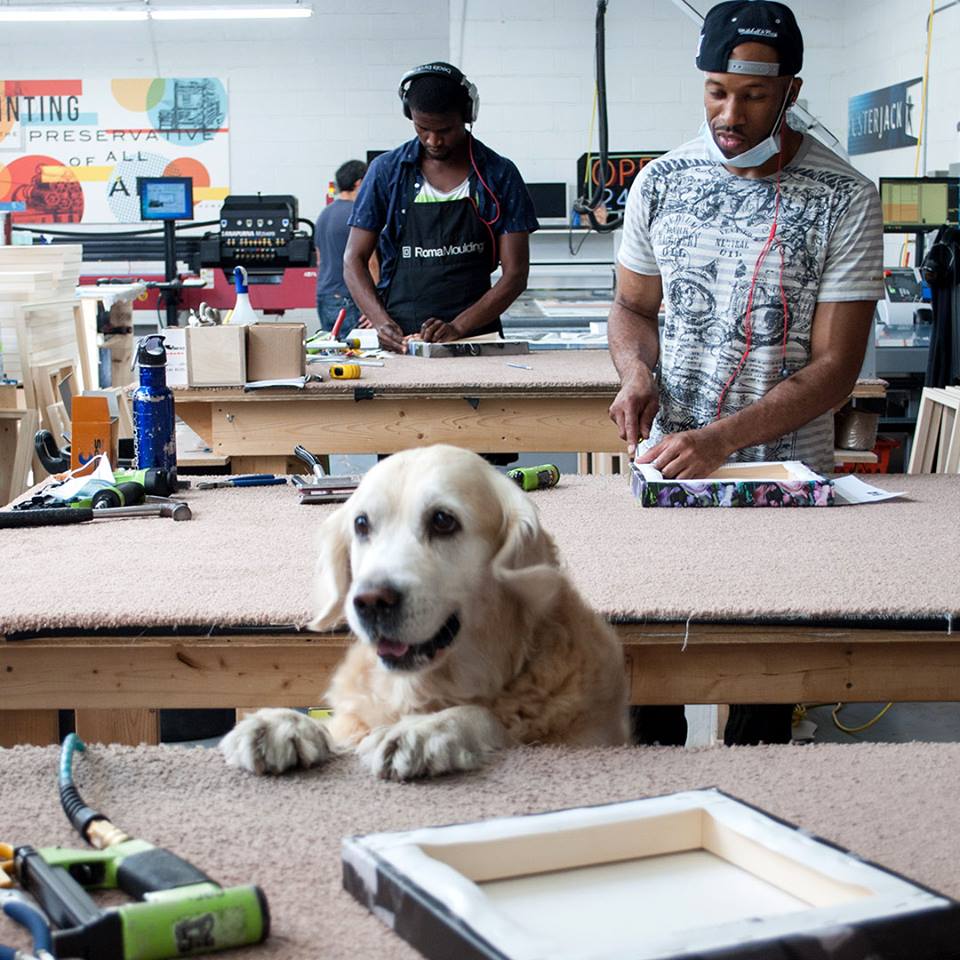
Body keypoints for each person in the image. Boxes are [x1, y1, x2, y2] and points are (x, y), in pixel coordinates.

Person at [608, 1, 883, 746]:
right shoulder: (660, 182)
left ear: (791, 93)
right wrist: (637, 373)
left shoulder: (846, 198)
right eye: (717, 91)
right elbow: (633, 308)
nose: (730, 112)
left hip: (785, 485)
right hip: (673, 470)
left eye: (754, 96)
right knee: (650, 674)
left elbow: (836, 368)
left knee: (764, 684)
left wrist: (725, 438)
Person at [343, 62, 539, 353]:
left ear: (467, 115)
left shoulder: (499, 174)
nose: (433, 140)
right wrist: (381, 323)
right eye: (423, 128)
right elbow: (353, 260)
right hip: (401, 340)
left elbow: (515, 274)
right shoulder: (387, 172)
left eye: (445, 129)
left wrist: (459, 327)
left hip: (476, 338)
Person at [315, 159, 368, 337]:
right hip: (348, 299)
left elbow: (319, 259)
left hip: (325, 297)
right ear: (359, 183)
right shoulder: (358, 215)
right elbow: (372, 262)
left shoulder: (324, 214)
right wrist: (376, 303)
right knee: (353, 356)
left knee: (331, 354)